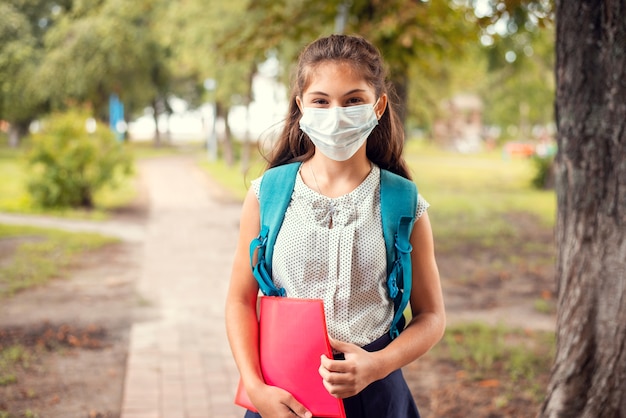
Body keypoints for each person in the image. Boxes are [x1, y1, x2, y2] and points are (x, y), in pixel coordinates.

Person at [225, 34, 445, 418]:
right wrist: (256, 389)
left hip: (375, 396)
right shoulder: (268, 195)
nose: (336, 113)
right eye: (321, 101)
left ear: (377, 107)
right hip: (283, 395)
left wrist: (377, 365)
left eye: (353, 100)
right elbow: (239, 300)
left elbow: (432, 317)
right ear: (301, 107)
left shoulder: (404, 203)